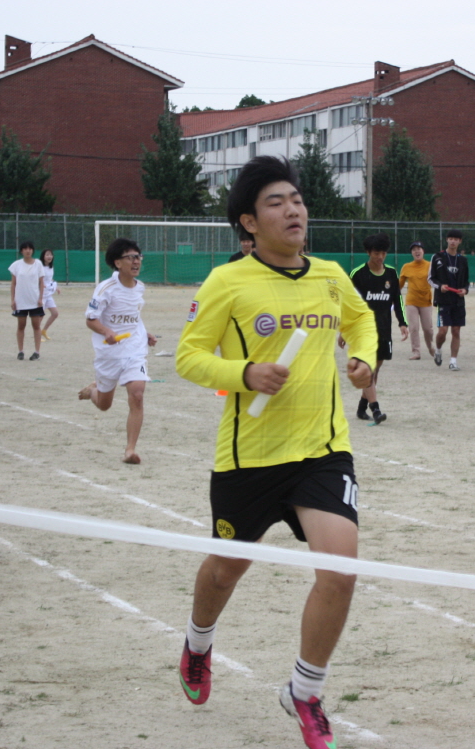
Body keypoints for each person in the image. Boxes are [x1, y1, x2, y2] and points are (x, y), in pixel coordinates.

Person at [175, 156, 377, 749]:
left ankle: (305, 691)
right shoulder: (227, 282)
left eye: (296, 199)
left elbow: (361, 320)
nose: (293, 209)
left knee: (341, 567)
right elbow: (190, 355)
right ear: (249, 223)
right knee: (226, 568)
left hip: (323, 452)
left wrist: (364, 359)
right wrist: (244, 372)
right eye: (275, 202)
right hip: (249, 458)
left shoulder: (331, 275)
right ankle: (198, 643)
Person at [79, 238, 157, 464]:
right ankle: (92, 391)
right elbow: (90, 320)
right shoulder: (106, 289)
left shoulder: (140, 287)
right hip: (109, 353)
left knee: (138, 394)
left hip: (134, 350)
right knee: (104, 405)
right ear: (117, 263)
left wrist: (146, 333)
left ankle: (130, 450)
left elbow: (134, 318)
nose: (136, 261)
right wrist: (106, 331)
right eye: (130, 257)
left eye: (138, 256)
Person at [347, 232, 408, 423]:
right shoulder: (358, 274)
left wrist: (402, 322)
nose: (380, 257)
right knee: (369, 369)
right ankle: (376, 409)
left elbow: (397, 299)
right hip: (362, 331)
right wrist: (344, 329)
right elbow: (348, 303)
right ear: (368, 252)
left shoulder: (391, 273)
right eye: (376, 253)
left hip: (384, 329)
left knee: (375, 370)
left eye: (383, 253)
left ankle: (361, 408)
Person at [429, 229, 470, 370]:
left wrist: (465, 290)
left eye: (456, 239)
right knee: (443, 331)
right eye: (450, 238)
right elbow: (430, 278)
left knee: (456, 331)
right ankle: (438, 350)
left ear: (460, 241)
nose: (453, 241)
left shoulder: (463, 260)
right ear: (447, 240)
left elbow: (466, 282)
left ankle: (453, 361)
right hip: (443, 301)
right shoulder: (438, 257)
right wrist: (440, 286)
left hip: (458, 302)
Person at [399, 240, 436, 361]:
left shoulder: (430, 266)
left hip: (425, 301)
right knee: (414, 327)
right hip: (411, 301)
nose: (417, 251)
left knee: (428, 329)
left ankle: (431, 347)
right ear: (411, 253)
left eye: (419, 249)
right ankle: (416, 351)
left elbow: (436, 281)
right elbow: (399, 285)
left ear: (423, 251)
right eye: (414, 249)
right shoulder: (406, 267)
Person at [9, 240, 46, 360]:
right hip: (21, 301)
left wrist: (40, 298)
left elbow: (41, 283)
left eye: (30, 248)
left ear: (33, 250)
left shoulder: (38, 264)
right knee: (21, 325)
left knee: (36, 326)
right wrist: (13, 300)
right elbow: (13, 284)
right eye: (25, 248)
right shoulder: (16, 265)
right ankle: (21, 351)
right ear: (21, 251)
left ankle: (37, 352)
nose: (28, 250)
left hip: (34, 301)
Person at [39, 248, 60, 340]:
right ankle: (37, 334)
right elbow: (35, 278)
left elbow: (49, 279)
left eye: (50, 254)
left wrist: (56, 287)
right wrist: (40, 284)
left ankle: (43, 331)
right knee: (40, 315)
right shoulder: (39, 267)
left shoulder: (50, 267)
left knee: (55, 313)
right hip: (40, 295)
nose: (49, 256)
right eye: (47, 254)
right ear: (43, 256)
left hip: (48, 294)